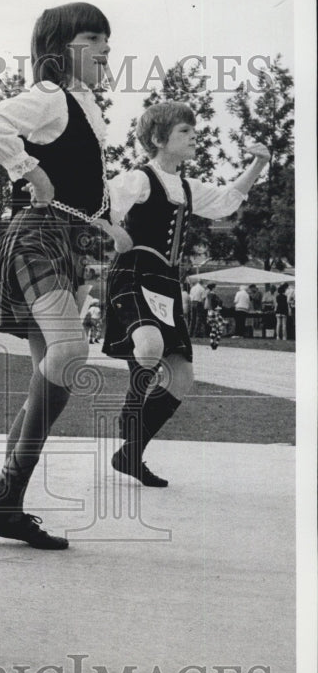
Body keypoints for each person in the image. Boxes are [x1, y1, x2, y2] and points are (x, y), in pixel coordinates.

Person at [0, 1, 131, 548]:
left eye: (107, 38)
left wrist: (110, 228)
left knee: (52, 369)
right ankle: (5, 501)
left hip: (69, 242)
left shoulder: (85, 107)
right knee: (69, 355)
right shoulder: (48, 97)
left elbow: (86, 184)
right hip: (37, 235)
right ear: (60, 51)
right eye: (93, 37)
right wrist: (28, 168)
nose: (106, 47)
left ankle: (7, 504)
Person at [102, 102, 270, 485]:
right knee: (147, 351)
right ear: (159, 139)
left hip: (166, 284)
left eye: (194, 130)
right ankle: (130, 425)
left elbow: (227, 201)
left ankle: (130, 452)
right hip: (132, 276)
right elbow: (99, 201)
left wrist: (258, 165)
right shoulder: (140, 179)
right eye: (184, 131)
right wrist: (114, 231)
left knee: (182, 377)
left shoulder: (188, 187)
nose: (194, 135)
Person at [204, 283, 226, 350]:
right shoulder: (212, 295)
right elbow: (213, 304)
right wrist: (216, 308)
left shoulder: (209, 295)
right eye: (216, 287)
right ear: (213, 288)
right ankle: (216, 342)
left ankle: (212, 342)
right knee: (220, 327)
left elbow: (207, 305)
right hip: (214, 312)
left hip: (211, 312)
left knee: (214, 327)